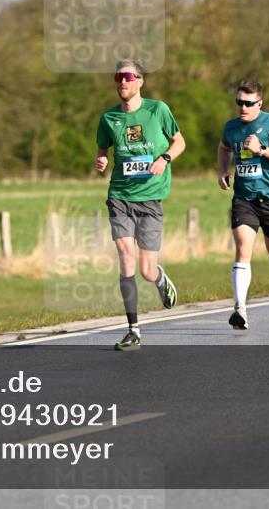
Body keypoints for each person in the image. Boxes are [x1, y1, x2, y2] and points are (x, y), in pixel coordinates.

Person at [95, 59, 185, 351]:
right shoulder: (109, 118)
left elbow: (180, 142)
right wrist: (102, 160)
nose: (123, 82)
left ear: (140, 81)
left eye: (128, 77)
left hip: (150, 197)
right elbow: (102, 149)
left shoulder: (157, 110)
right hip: (120, 195)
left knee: (146, 269)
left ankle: (159, 279)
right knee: (125, 256)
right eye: (118, 77)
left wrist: (165, 158)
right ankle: (133, 329)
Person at [217, 80, 269, 329]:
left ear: (259, 103)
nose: (243, 107)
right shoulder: (231, 127)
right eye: (239, 102)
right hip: (244, 199)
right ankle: (240, 308)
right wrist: (222, 171)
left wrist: (262, 149)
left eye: (248, 103)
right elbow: (223, 148)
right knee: (243, 249)